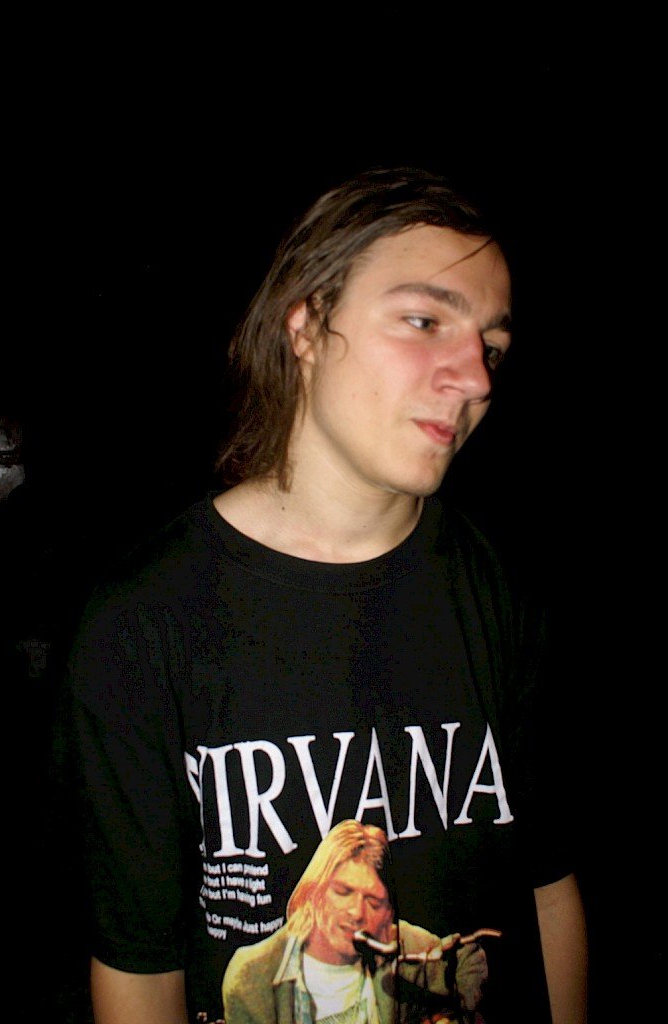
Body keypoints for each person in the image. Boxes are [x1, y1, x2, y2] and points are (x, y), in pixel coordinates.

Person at [58, 167, 588, 1023]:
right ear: (305, 325)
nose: (476, 379)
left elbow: (548, 887)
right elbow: (139, 968)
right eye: (424, 321)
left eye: (490, 346)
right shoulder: (144, 621)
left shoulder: (502, 589)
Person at [222, 819, 489, 1023]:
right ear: (314, 893)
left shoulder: (396, 943)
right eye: (343, 891)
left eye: (373, 901)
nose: (357, 912)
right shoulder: (252, 975)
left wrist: (459, 1014)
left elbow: (466, 958)